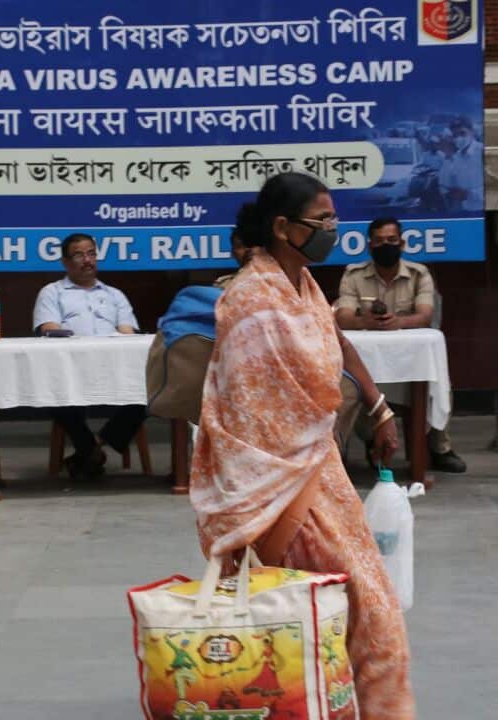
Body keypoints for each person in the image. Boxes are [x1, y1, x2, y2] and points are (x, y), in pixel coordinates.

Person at [192, 172, 413, 720]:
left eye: (335, 221)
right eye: (323, 222)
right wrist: (280, 504)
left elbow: (334, 341)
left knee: (361, 612)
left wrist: (379, 406)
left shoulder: (306, 286)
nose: (333, 231)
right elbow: (248, 415)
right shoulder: (249, 300)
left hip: (319, 469)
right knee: (314, 617)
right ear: (283, 227)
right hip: (273, 491)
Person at [335, 217, 467, 474]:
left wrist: (400, 322)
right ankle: (373, 441)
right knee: (352, 390)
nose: (386, 246)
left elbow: (425, 314)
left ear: (403, 243)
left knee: (435, 382)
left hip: (408, 361)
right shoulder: (353, 275)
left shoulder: (419, 274)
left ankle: (438, 448)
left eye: (392, 241)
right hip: (367, 363)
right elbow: (342, 316)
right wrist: (365, 321)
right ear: (369, 245)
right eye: (380, 241)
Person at [33, 233, 146, 480]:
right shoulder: (52, 292)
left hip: (115, 367)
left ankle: (93, 446)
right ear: (65, 262)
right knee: (51, 391)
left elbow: (128, 332)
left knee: (149, 392)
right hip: (70, 369)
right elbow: (48, 328)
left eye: (91, 254)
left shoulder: (115, 295)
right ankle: (91, 450)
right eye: (79, 255)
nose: (87, 260)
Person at [439, 116, 484, 212]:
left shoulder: (482, 152)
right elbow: (444, 186)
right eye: (455, 135)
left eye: (462, 133)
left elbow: (494, 186)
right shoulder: (455, 157)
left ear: (472, 132)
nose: (459, 138)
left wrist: (469, 194)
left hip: (482, 210)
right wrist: (448, 155)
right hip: (463, 209)